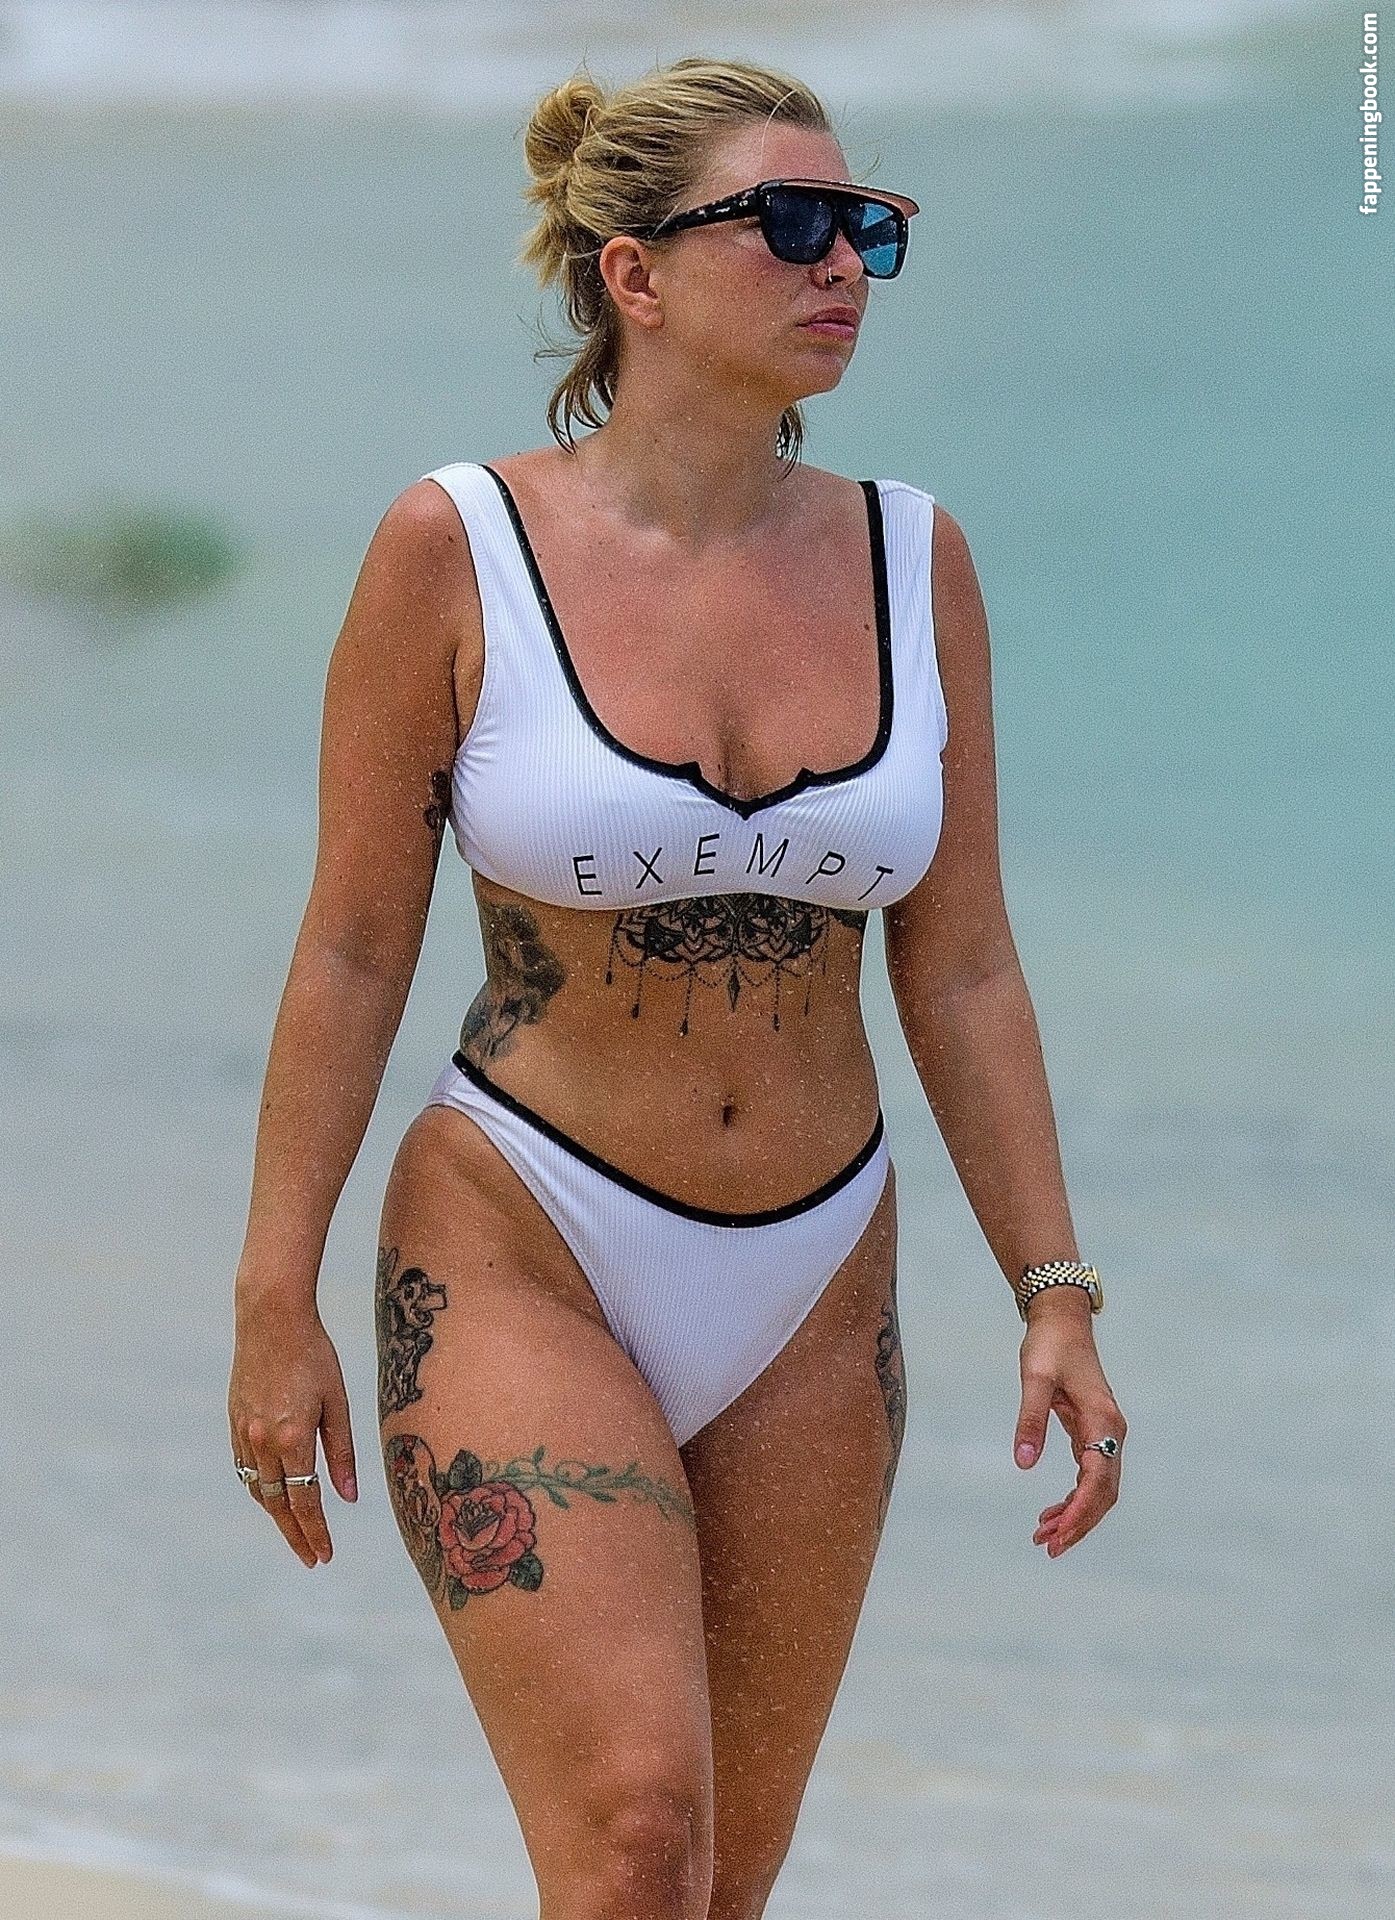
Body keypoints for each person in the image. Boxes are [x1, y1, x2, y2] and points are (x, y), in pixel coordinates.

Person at [228, 53, 1127, 1920]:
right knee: (637, 1838)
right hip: (523, 1235)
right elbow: (354, 944)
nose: (844, 263)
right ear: (632, 275)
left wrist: (1053, 1289)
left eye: (867, 225)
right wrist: (270, 1295)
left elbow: (964, 964)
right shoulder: (453, 548)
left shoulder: (914, 558)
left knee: (730, 1883)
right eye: (790, 225)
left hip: (818, 1266)